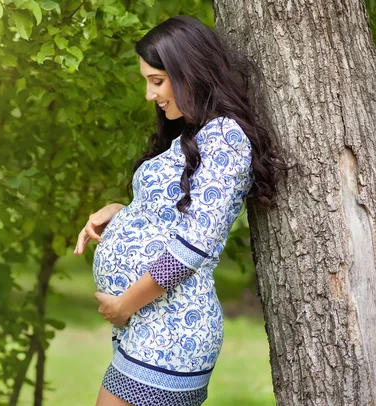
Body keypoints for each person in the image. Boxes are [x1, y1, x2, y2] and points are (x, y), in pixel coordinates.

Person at [73, 15, 291, 406]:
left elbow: (193, 245)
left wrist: (123, 306)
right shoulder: (192, 134)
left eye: (156, 81)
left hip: (173, 330)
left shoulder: (225, 137)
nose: (148, 94)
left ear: (189, 71)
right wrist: (121, 212)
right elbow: (171, 215)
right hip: (149, 325)